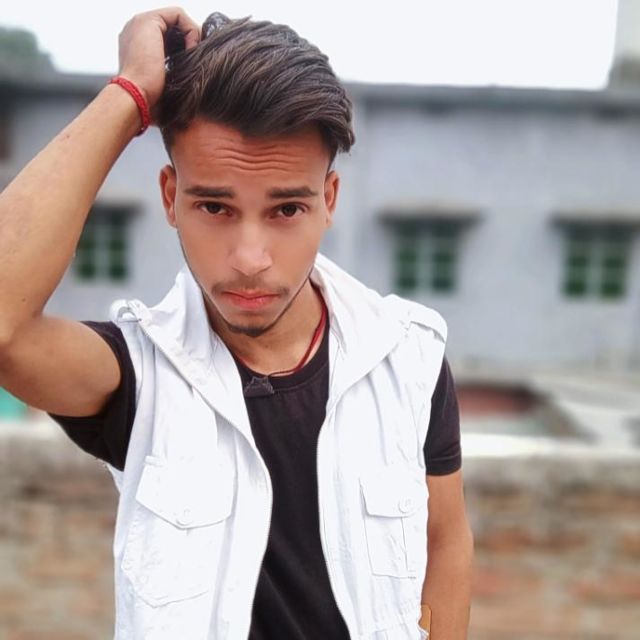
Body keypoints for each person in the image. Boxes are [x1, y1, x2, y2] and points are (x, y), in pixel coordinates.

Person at [0, 7, 474, 639]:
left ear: (328, 201)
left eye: (286, 210)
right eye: (215, 207)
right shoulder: (140, 373)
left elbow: (444, 539)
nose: (250, 259)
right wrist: (130, 94)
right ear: (170, 198)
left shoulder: (407, 357)